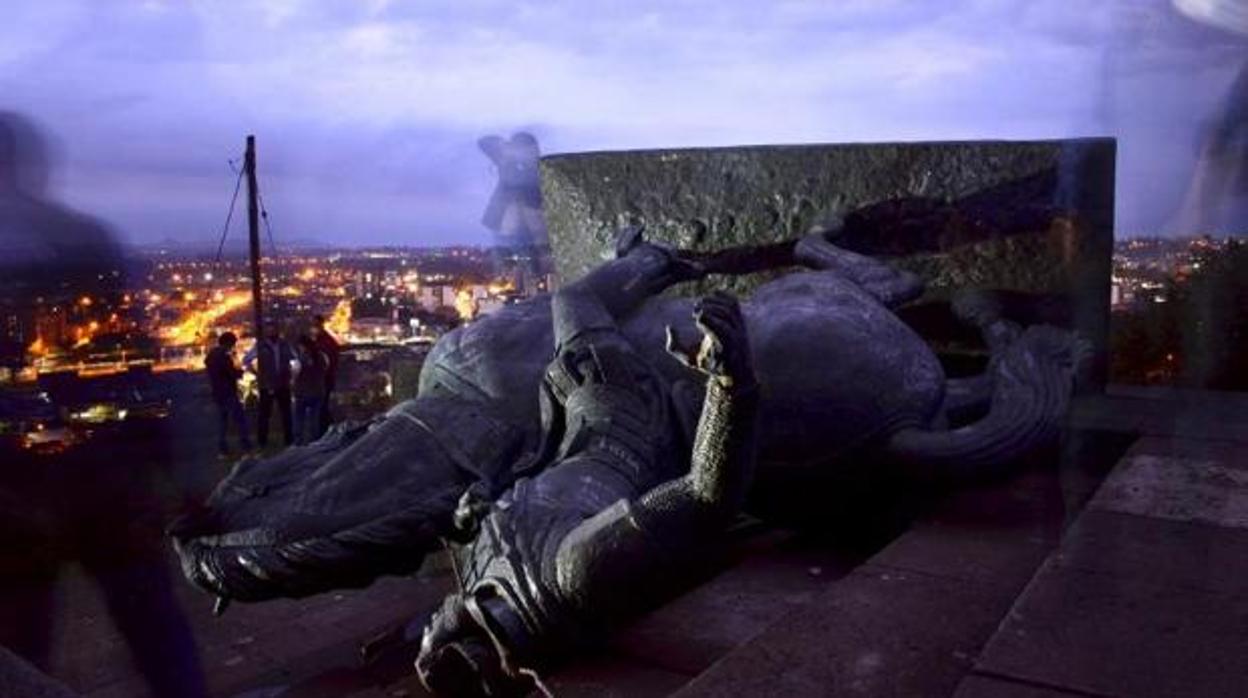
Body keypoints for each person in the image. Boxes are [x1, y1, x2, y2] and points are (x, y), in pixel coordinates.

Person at [244, 321, 295, 447]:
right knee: (265, 414)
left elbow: (294, 358)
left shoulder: (284, 344)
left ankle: (289, 440)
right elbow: (247, 360)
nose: (272, 332)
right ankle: (262, 441)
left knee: (286, 413)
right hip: (267, 385)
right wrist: (257, 374)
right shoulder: (261, 346)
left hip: (283, 384)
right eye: (269, 329)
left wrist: (291, 376)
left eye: (274, 329)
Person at [204, 331, 251, 456]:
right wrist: (239, 373)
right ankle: (246, 445)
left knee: (222, 421)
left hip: (217, 392)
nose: (234, 346)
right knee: (240, 419)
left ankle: (222, 448)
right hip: (228, 391)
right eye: (233, 343)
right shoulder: (223, 355)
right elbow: (230, 372)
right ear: (228, 342)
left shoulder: (212, 355)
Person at [292, 334, 328, 446]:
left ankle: (299, 442)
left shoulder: (300, 359)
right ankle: (314, 442)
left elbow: (295, 373)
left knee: (299, 419)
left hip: (302, 392)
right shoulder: (321, 356)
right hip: (317, 392)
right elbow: (325, 368)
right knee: (314, 420)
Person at [311, 314, 340, 435]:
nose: (313, 328)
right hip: (320, 380)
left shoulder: (326, 341)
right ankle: (323, 431)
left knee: (322, 407)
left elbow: (328, 361)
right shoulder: (320, 340)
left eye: (315, 325)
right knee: (321, 407)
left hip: (324, 380)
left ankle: (323, 432)